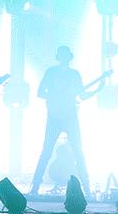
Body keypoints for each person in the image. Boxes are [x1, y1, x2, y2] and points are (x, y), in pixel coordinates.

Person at [29, 45, 97, 195]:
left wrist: (98, 89)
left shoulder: (74, 74)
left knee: (78, 152)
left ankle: (87, 189)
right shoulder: (51, 72)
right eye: (62, 55)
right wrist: (55, 96)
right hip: (54, 117)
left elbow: (82, 95)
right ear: (59, 57)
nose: (64, 58)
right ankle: (35, 187)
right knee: (46, 152)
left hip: (70, 117)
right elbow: (40, 92)